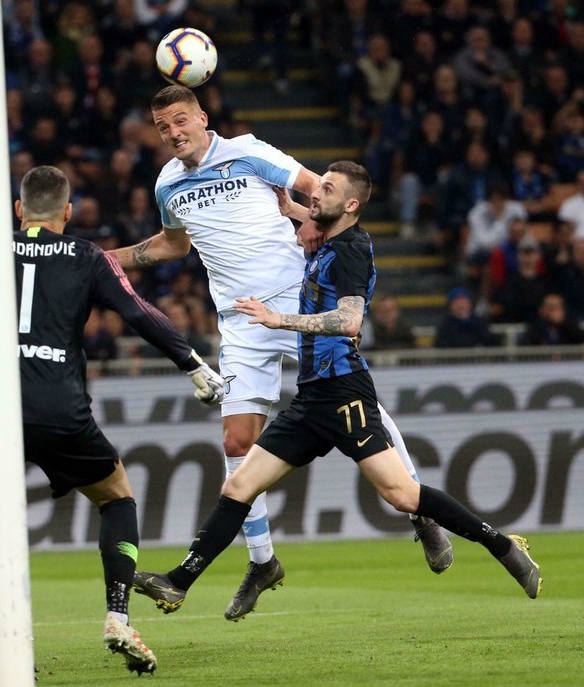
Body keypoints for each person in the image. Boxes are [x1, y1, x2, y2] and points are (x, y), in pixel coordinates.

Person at [132, 162, 543, 617]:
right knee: (240, 485)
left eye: (326, 189)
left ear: (350, 204)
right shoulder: (330, 239)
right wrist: (290, 209)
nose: (315, 192)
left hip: (344, 391)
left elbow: (349, 321)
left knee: (402, 494)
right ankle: (178, 582)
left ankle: (503, 546)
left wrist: (278, 319)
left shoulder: (351, 250)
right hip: (311, 397)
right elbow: (313, 222)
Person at [110, 85, 454, 623]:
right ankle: (262, 562)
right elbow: (173, 244)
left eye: (180, 120)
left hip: (297, 301)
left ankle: (418, 512)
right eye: (162, 127)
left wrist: (310, 223)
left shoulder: (248, 151)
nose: (173, 133)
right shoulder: (167, 183)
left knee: (358, 405)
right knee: (236, 441)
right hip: (240, 321)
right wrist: (101, 260)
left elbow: (319, 189)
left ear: (202, 118)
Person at [0, 165, 226, 675]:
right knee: (117, 498)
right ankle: (118, 615)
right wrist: (193, 364)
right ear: (67, 212)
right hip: (59, 407)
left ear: (19, 209)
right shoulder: (88, 256)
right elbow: (138, 313)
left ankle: (0, 620)